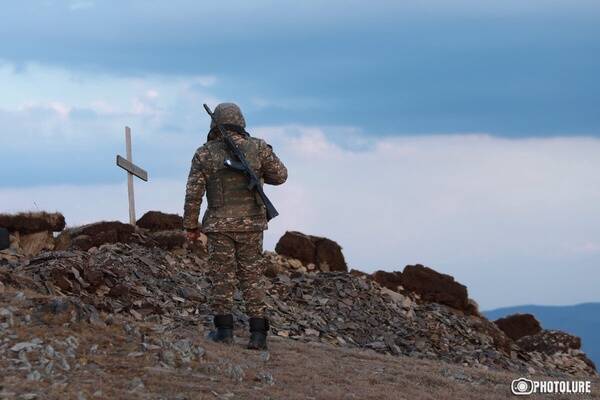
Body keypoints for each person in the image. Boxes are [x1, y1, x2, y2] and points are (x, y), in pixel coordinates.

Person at [183, 103, 287, 350]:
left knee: (222, 278)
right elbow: (280, 175)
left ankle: (224, 331)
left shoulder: (204, 153)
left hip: (219, 225)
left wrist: (190, 225)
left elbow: (193, 193)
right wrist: (259, 172)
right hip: (251, 224)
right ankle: (258, 335)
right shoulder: (259, 147)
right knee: (252, 278)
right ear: (241, 121)